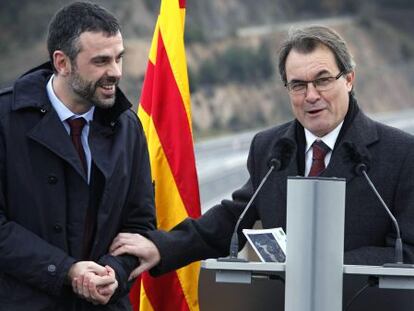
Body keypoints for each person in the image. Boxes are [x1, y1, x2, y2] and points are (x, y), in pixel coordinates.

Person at [110, 26, 414, 280]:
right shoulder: (270, 149)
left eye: (322, 80)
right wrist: (162, 246)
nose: (311, 96)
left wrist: (320, 267)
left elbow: (407, 250)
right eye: (297, 85)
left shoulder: (401, 154)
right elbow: (233, 219)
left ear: (348, 80)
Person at [0, 2, 156, 310]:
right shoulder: (5, 120)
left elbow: (139, 222)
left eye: (118, 58)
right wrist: (65, 271)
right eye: (100, 61)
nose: (115, 72)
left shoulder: (128, 126)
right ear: (62, 62)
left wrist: (116, 270)